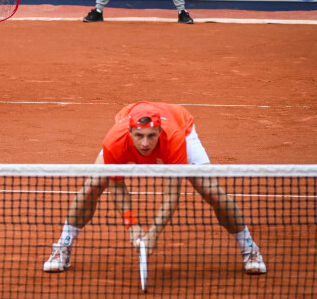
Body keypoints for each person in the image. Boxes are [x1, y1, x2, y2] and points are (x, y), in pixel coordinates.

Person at [43, 101, 267, 275]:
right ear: (129, 132)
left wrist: (153, 235)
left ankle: (250, 248)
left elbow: (171, 195)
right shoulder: (115, 141)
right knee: (92, 184)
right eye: (139, 136)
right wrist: (132, 225)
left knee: (210, 190)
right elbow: (117, 185)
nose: (145, 144)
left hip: (182, 124)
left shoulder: (175, 138)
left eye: (151, 136)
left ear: (160, 132)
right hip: (130, 130)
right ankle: (63, 245)